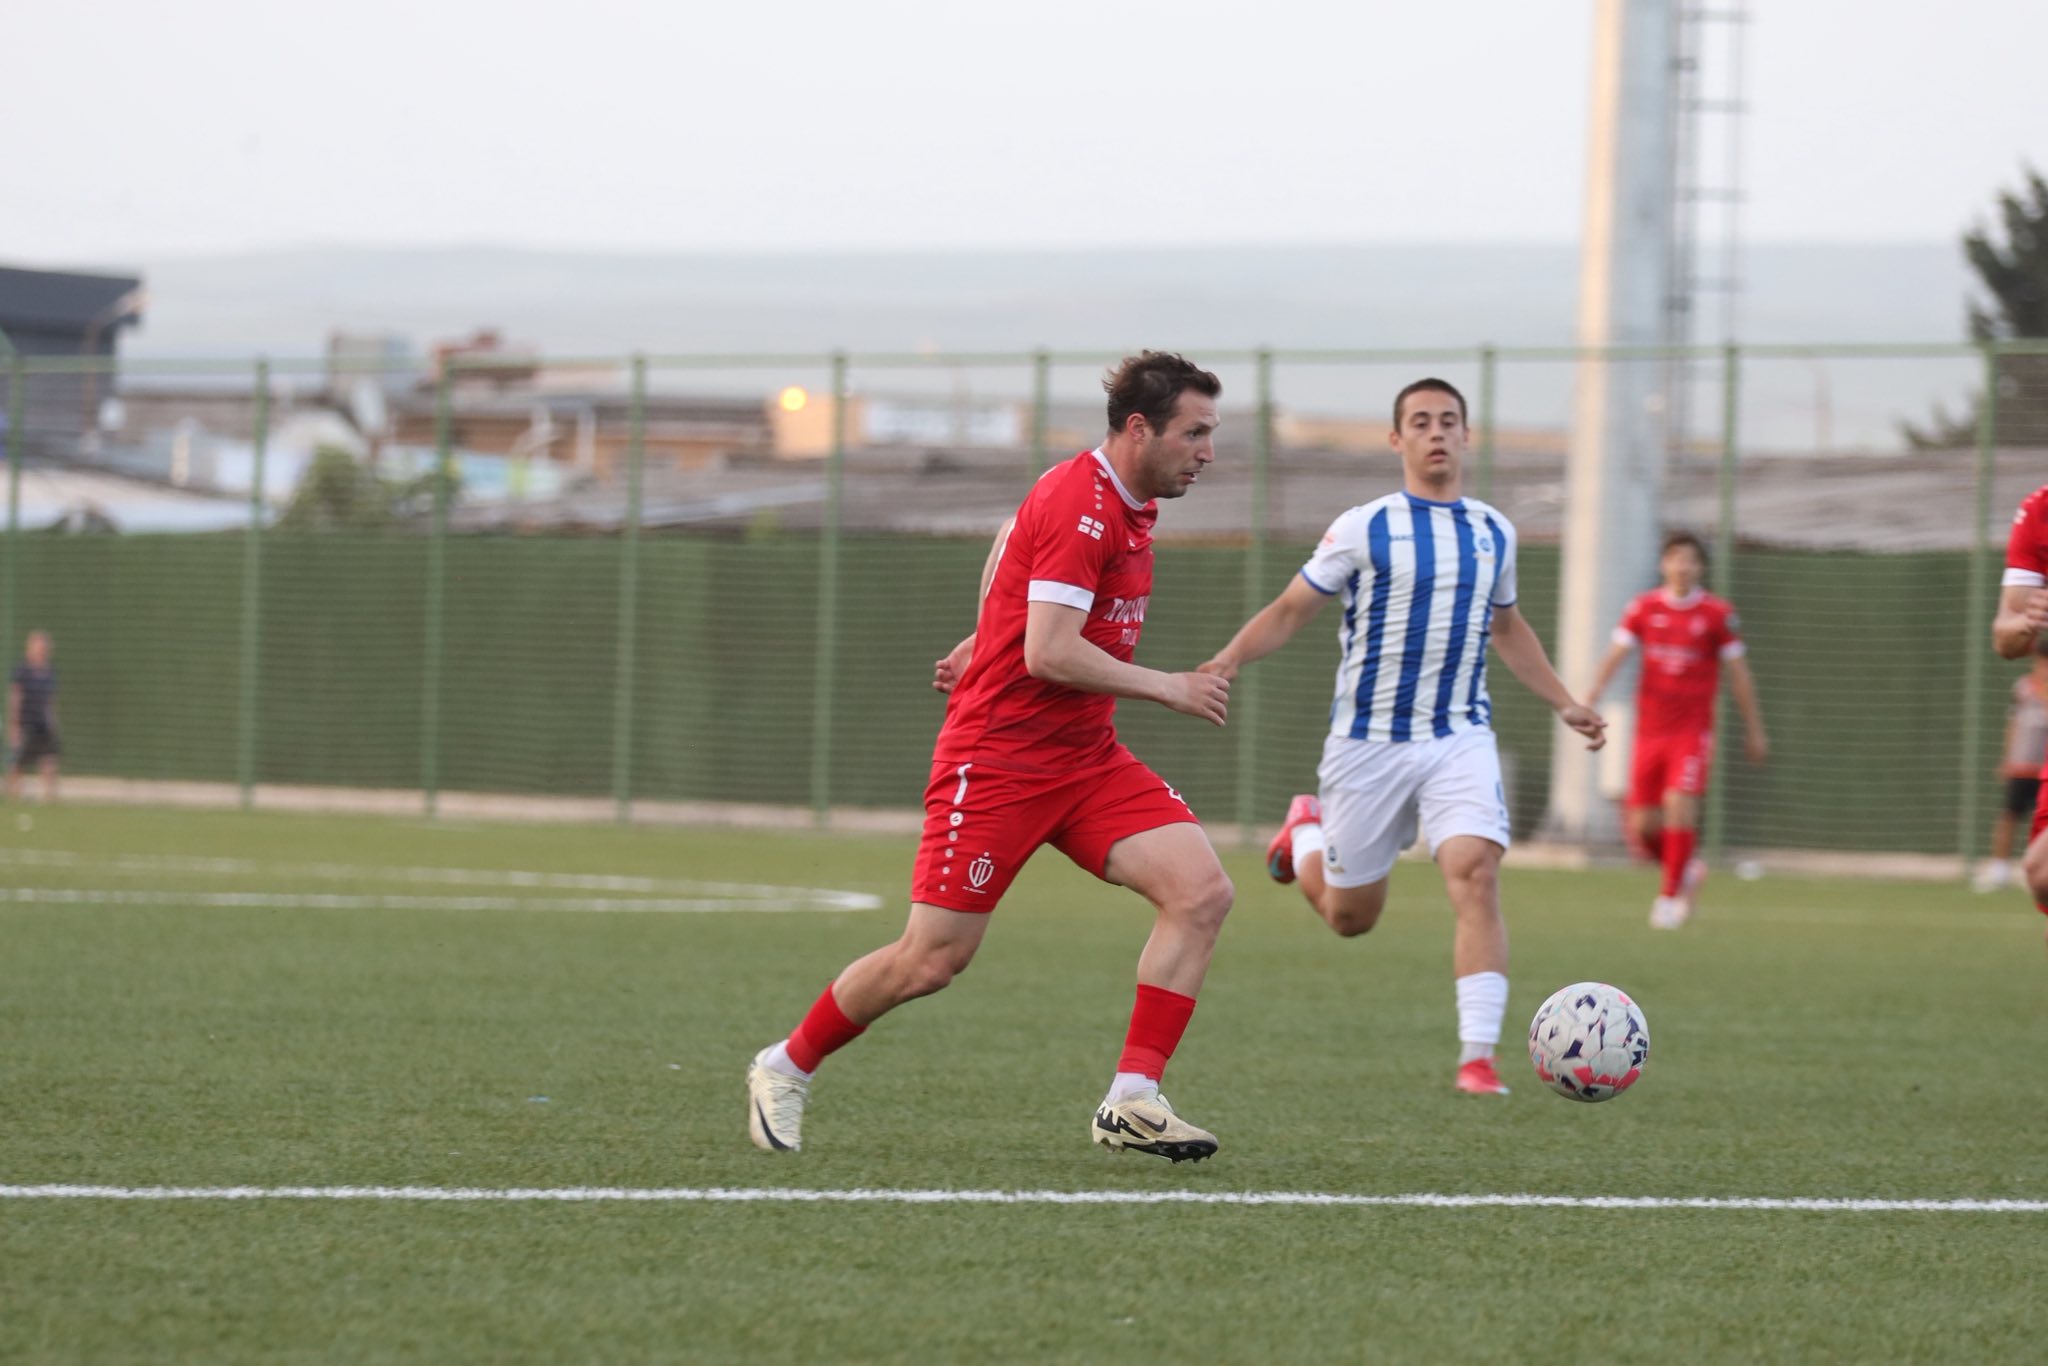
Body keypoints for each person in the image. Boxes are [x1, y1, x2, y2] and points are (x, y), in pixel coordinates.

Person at [745, 352, 1235, 1160]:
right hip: (999, 760)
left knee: (1202, 892)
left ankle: (1132, 1100)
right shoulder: (1081, 501)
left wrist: (985, 632)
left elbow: (1011, 543)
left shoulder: (1122, 499)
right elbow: (1050, 653)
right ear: (1139, 429)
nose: (1208, 452)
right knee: (932, 960)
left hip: (1086, 758)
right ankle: (784, 1066)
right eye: (1195, 433)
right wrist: (1169, 687)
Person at [1198, 377, 1606, 1097]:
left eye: (1449, 420)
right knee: (1350, 918)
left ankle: (1477, 1059)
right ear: (1397, 440)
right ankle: (1304, 834)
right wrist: (1228, 657)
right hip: (1367, 745)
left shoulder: (1494, 532)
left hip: (1458, 735)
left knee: (1475, 871)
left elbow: (1507, 627)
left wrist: (1566, 702)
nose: (1436, 432)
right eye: (1420, 422)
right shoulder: (1364, 527)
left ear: (1467, 435)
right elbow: (1291, 609)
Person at [1583, 532, 1767, 928]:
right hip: (1650, 731)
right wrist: (1591, 696)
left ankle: (1668, 900)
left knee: (1679, 803)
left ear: (1701, 568)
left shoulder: (1716, 614)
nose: (1682, 566)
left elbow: (1739, 674)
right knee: (1642, 827)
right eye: (1675, 558)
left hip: (1691, 732)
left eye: (1690, 560)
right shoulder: (1644, 607)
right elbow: (1616, 653)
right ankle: (1686, 869)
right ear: (1664, 564)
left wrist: (1754, 729)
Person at [1991, 482, 2048, 919]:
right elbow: (2005, 638)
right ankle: (1995, 869)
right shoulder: (2039, 510)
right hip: (2031, 763)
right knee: (2041, 873)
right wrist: (2028, 620)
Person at [1974, 636, 2048, 892]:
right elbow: (2014, 723)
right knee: (2009, 816)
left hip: (2045, 769)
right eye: (2039, 661)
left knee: (2042, 823)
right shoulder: (2023, 688)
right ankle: (1999, 871)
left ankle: (2039, 872)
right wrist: (2007, 759)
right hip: (2022, 766)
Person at [7, 630, 61, 803]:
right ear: (30, 648)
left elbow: (50, 701)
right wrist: (14, 725)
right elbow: (15, 698)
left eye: (44, 647)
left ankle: (50, 797)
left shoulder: (49, 672)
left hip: (42, 724)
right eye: (38, 647)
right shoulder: (22, 671)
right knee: (18, 762)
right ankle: (13, 794)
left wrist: (52, 723)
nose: (42, 651)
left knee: (49, 758)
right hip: (25, 723)